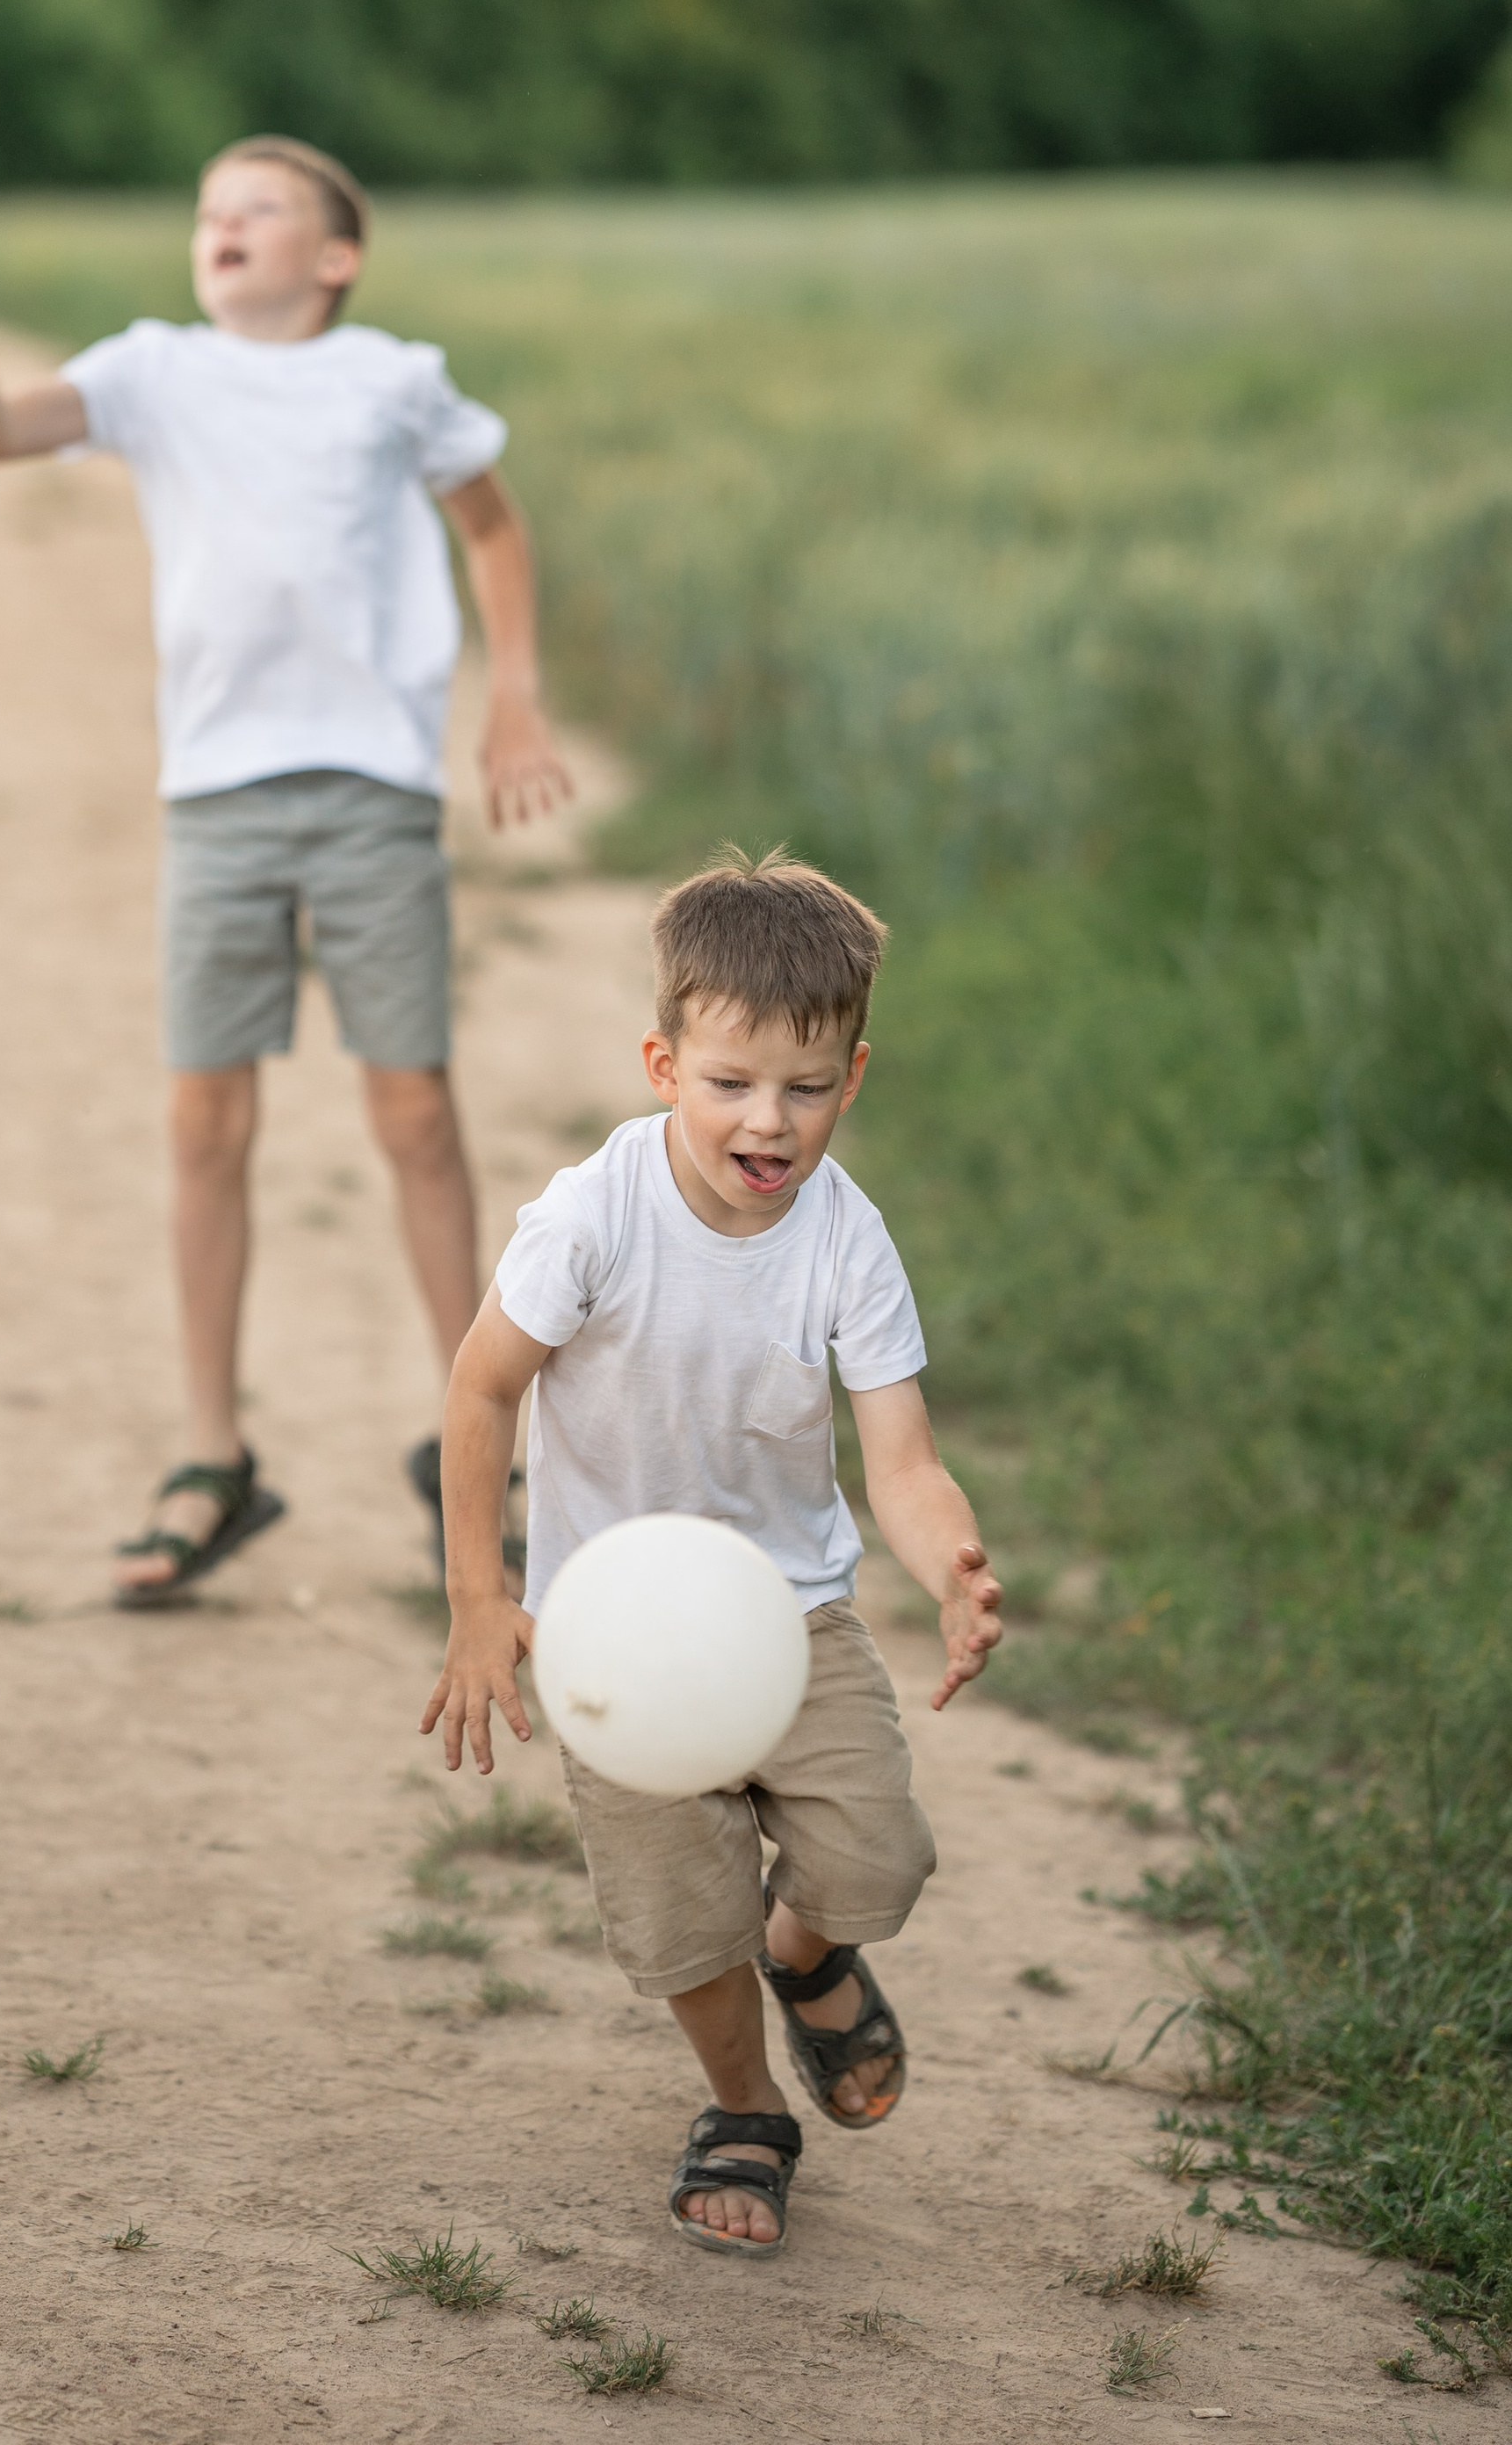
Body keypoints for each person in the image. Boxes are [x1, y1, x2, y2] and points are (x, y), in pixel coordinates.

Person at [0, 134, 570, 1603]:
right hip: (218, 799)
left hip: (371, 792)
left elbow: (494, 526)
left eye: (259, 207)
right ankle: (215, 1455)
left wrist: (517, 694)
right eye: (209, 208)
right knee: (204, 1122)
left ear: (334, 256)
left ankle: (473, 1444)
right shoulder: (158, 372)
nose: (221, 224)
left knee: (413, 1114)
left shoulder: (394, 379)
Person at [420, 850, 1004, 2258]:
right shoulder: (595, 1216)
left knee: (880, 1863)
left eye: (806, 1090)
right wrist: (480, 1600)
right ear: (662, 1059)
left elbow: (902, 1460)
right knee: (683, 1929)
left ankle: (807, 1955)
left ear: (852, 1078)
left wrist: (950, 1566)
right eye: (731, 1081)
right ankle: (745, 2110)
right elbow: (482, 1386)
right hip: (615, 1634)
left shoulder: (849, 1246)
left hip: (790, 1616)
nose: (769, 1120)